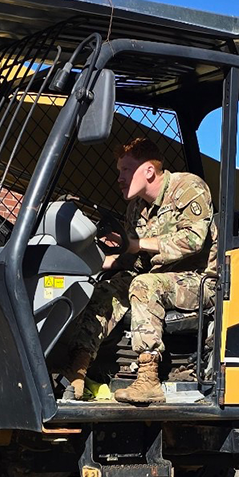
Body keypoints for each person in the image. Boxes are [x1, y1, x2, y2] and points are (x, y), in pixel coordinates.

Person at [62, 137, 214, 404]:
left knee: (144, 285)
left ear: (149, 171)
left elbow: (193, 239)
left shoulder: (188, 187)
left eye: (126, 170)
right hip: (158, 277)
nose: (119, 178)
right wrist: (100, 262)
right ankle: (79, 366)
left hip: (200, 281)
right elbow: (133, 257)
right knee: (107, 286)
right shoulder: (135, 208)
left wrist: (136, 244)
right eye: (119, 171)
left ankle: (148, 377)